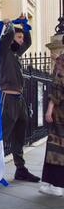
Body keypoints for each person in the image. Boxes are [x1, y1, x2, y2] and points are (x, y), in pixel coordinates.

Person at [0, 14, 40, 183]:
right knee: (3, 137)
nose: (21, 41)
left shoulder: (16, 54)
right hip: (7, 99)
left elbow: (29, 42)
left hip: (20, 99)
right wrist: (9, 25)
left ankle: (20, 169)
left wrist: (25, 27)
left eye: (22, 37)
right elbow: (7, 36)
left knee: (19, 136)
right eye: (19, 37)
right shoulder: (4, 51)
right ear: (11, 39)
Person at [39, 54, 64, 197]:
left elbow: (57, 89)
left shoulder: (62, 61)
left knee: (56, 148)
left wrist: (49, 110)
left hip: (60, 115)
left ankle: (56, 185)